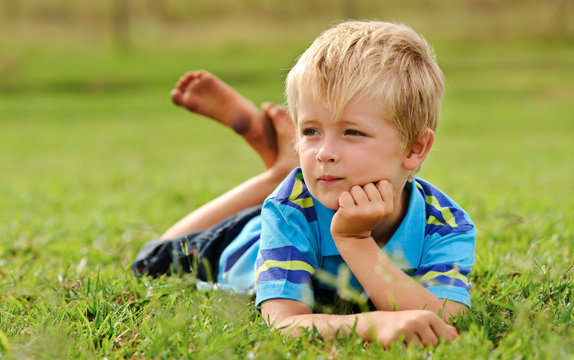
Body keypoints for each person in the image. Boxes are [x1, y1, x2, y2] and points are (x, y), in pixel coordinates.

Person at [133, 20, 475, 348]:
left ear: (414, 148)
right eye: (311, 131)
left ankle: (281, 167)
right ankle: (276, 173)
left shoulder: (445, 224)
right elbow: (283, 323)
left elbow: (448, 319)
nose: (324, 153)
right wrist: (372, 312)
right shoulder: (288, 210)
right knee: (151, 259)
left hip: (297, 204)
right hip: (241, 244)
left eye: (352, 132)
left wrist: (357, 244)